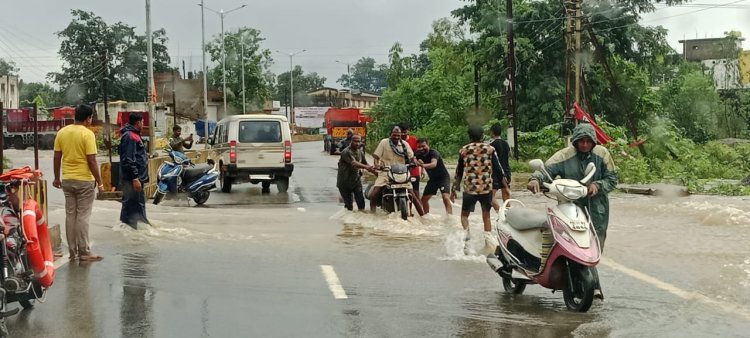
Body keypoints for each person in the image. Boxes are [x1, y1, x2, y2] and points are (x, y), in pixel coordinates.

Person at [527, 123, 618, 299]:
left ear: (594, 141)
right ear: (575, 142)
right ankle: (593, 287)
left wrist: (598, 185)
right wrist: (535, 179)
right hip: (571, 206)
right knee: (572, 243)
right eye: (581, 141)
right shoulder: (564, 155)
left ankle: (585, 284)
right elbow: (547, 170)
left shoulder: (603, 154)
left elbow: (612, 179)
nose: (584, 145)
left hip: (597, 208)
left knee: (593, 247)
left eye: (588, 141)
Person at [52, 104, 104, 261]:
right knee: (82, 217)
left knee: (70, 216)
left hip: (67, 180)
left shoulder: (62, 132)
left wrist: (56, 178)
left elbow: (56, 157)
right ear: (88, 118)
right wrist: (100, 183)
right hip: (84, 182)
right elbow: (92, 160)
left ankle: (73, 252)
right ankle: (84, 252)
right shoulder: (87, 134)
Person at [450, 126, 504, 255]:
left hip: (470, 189)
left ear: (469, 137)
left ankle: (467, 239)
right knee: (486, 216)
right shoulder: (490, 149)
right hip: (486, 188)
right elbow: (498, 168)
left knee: (464, 215)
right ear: (482, 136)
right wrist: (504, 182)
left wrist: (454, 189)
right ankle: (489, 245)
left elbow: (459, 171)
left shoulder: (464, 150)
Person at [368, 125, 425, 216]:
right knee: (374, 193)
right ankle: (372, 214)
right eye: (394, 135)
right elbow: (376, 157)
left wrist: (414, 162)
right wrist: (377, 165)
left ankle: (423, 217)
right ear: (390, 134)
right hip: (386, 172)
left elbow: (412, 157)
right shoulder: (384, 142)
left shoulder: (405, 144)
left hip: (402, 173)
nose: (396, 137)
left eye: (398, 135)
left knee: (412, 194)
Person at [119, 113, 151, 229]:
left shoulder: (135, 135)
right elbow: (128, 159)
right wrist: (135, 178)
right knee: (130, 205)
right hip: (132, 179)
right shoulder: (130, 136)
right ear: (138, 123)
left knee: (139, 204)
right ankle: (128, 229)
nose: (143, 124)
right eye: (142, 122)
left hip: (138, 178)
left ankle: (142, 228)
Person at [337, 134, 377, 211]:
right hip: (344, 182)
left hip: (356, 180)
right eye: (355, 141)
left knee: (361, 202)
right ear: (351, 141)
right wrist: (366, 167)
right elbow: (354, 163)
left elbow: (366, 163)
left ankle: (360, 218)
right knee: (349, 205)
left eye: (359, 141)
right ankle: (347, 220)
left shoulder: (360, 152)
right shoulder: (346, 152)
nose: (357, 143)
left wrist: (374, 172)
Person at [415, 138, 452, 215]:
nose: (421, 148)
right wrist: (420, 168)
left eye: (423, 146)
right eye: (419, 147)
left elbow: (433, 164)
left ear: (428, 145)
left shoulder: (434, 153)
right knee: (423, 200)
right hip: (433, 180)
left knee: (445, 197)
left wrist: (422, 165)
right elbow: (412, 159)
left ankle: (450, 218)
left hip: (443, 178)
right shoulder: (418, 154)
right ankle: (426, 216)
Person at [489, 123, 512, 212]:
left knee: (491, 197)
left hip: (496, 173)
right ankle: (509, 215)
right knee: (506, 196)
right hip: (507, 172)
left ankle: (499, 213)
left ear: (492, 132)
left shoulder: (492, 145)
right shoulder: (506, 144)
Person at [400, 123, 421, 198]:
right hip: (400, 169)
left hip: (413, 169)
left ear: (408, 131)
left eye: (405, 132)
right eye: (401, 132)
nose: (403, 134)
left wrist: (422, 169)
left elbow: (418, 155)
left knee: (415, 191)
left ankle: (419, 208)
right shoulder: (395, 141)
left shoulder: (413, 140)